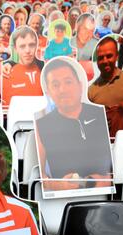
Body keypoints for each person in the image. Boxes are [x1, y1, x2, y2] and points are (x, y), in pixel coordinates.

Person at [35, 58, 113, 192]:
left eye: (68, 82)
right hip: (62, 198)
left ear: (80, 85)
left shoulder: (101, 114)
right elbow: (39, 174)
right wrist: (55, 185)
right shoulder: (41, 125)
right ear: (48, 92)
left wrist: (104, 181)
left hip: (104, 195)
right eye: (55, 85)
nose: (62, 90)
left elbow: (117, 166)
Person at [88, 36, 123, 137]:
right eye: (101, 58)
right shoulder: (91, 90)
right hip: (105, 144)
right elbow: (89, 121)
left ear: (116, 56)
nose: (105, 61)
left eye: (109, 56)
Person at [2, 27, 44, 106]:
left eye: (31, 45)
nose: (27, 50)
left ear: (36, 46)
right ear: (15, 48)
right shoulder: (6, 74)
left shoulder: (46, 69)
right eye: (22, 46)